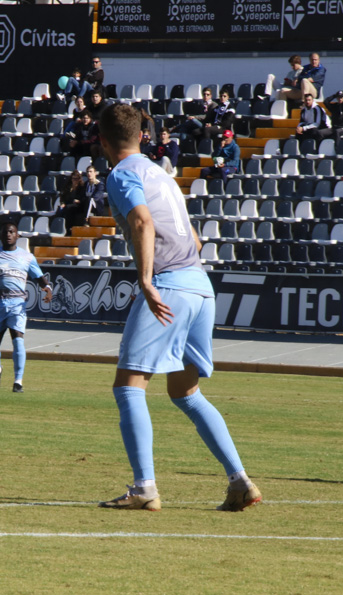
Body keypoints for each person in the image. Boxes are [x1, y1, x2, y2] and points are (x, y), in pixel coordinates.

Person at [95, 101, 261, 512]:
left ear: (102, 141)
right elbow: (194, 236)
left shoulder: (121, 173)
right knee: (186, 392)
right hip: (200, 285)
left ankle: (144, 488)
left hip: (169, 284)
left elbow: (142, 222)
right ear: (141, 136)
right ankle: (240, 481)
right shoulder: (161, 173)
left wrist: (147, 280)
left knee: (128, 387)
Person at [0, 222, 52, 394]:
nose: (8, 234)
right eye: (5, 232)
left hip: (17, 305)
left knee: (18, 339)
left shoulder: (27, 257)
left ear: (17, 236)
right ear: (1, 235)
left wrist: (48, 288)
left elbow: (39, 276)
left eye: (12, 232)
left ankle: (18, 381)